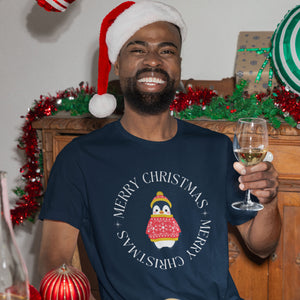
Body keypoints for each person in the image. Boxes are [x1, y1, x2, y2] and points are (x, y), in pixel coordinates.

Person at [38, 1, 281, 299]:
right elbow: (54, 261)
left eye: (166, 51)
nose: (153, 61)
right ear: (117, 63)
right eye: (138, 49)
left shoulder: (217, 149)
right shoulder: (79, 158)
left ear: (178, 64)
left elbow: (262, 246)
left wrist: (268, 201)